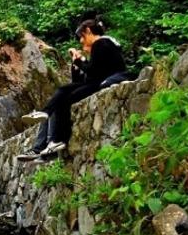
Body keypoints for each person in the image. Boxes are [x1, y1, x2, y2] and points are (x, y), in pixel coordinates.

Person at [17, 18, 131, 161]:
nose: (81, 42)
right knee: (60, 94)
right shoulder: (105, 45)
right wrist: (77, 66)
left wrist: (79, 61)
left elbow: (93, 73)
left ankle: (51, 142)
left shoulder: (101, 43)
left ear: (88, 31)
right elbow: (84, 78)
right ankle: (45, 137)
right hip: (98, 81)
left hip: (103, 81)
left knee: (62, 98)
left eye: (81, 38)